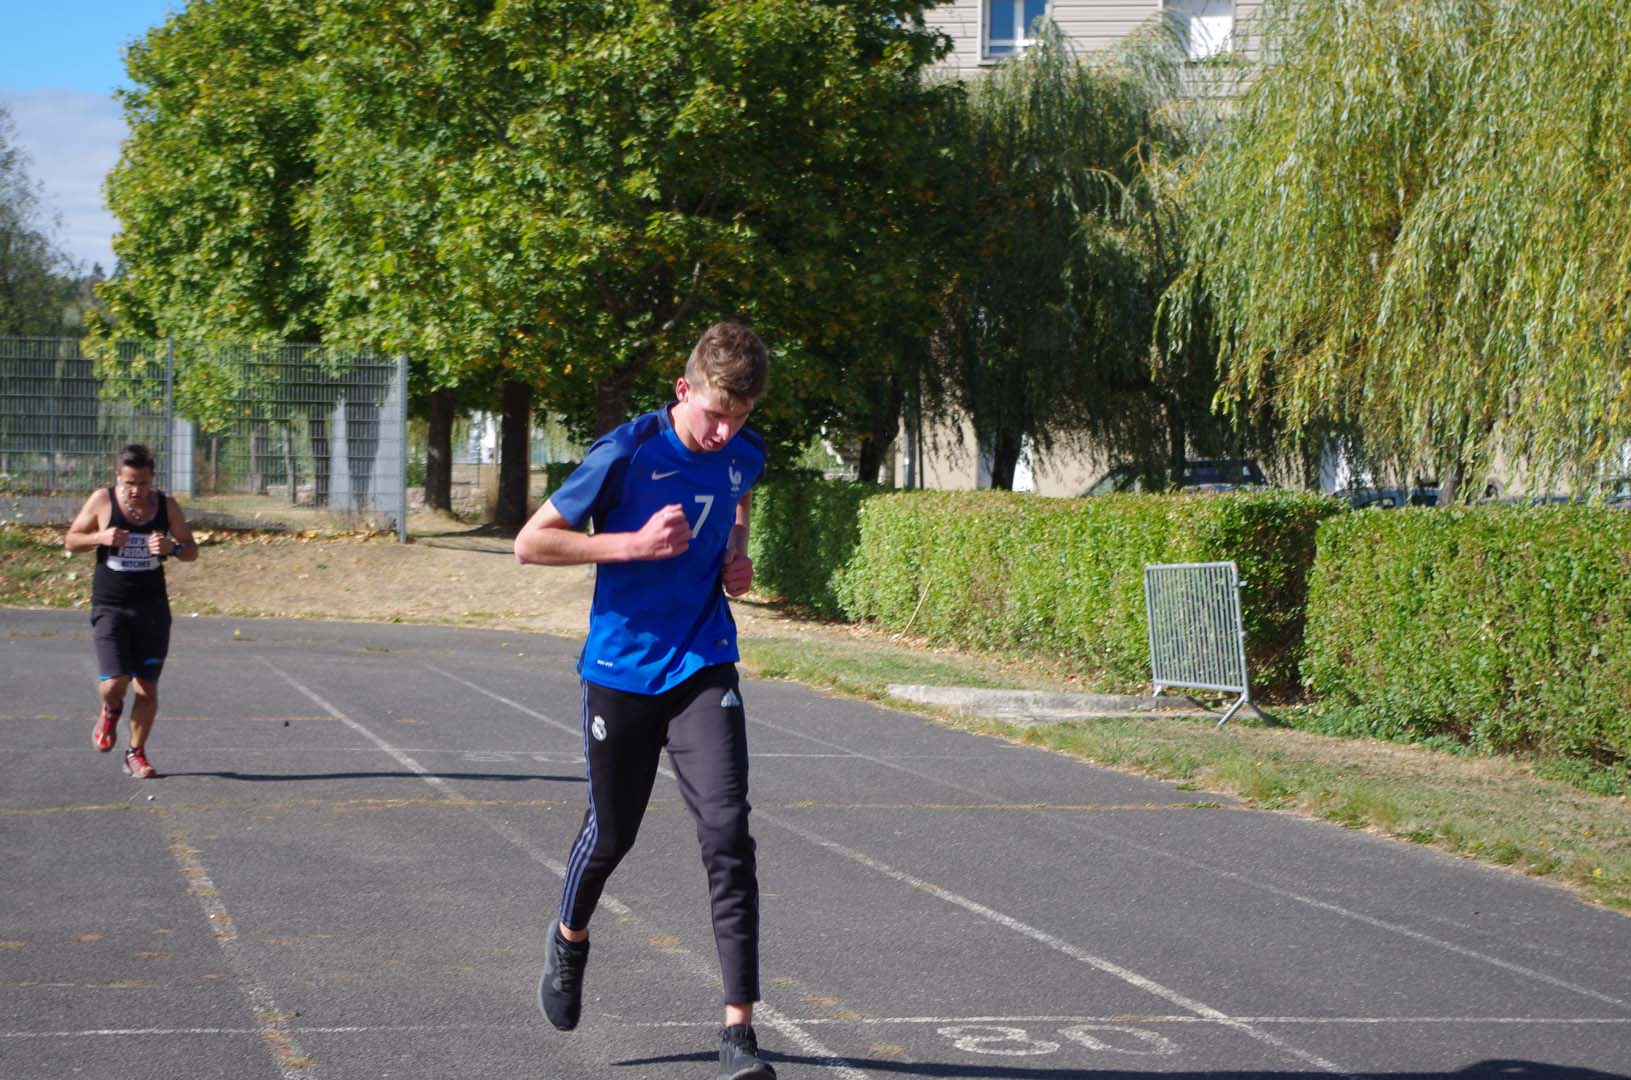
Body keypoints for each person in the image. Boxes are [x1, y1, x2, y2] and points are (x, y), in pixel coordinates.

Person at [514, 322, 775, 1080]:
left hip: (703, 660)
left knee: (728, 831)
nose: (724, 432)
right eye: (713, 415)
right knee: (612, 836)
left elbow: (737, 494)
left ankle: (738, 1031)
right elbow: (532, 543)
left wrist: (735, 552)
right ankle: (569, 938)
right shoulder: (625, 451)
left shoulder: (742, 452)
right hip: (622, 670)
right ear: (683, 389)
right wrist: (628, 545)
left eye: (740, 418)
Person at [64, 443, 198, 780]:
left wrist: (174, 547)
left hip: (152, 609)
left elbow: (191, 550)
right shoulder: (102, 500)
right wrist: (101, 536)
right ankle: (110, 710)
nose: (136, 491)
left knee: (147, 688)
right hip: (111, 606)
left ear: (152, 479)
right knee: (114, 683)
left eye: (142, 483)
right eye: (129, 483)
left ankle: (135, 753)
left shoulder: (166, 506)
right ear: (118, 478)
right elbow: (71, 540)